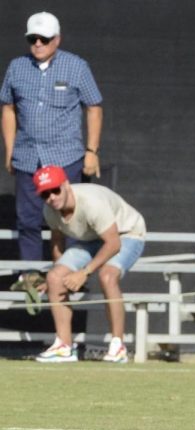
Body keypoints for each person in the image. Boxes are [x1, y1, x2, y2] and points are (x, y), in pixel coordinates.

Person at [1, 12, 103, 293]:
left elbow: (94, 106)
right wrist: (10, 149)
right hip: (27, 156)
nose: (37, 44)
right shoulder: (17, 67)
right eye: (32, 38)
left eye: (44, 39)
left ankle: (70, 274)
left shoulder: (76, 66)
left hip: (65, 155)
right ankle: (31, 276)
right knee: (28, 219)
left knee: (69, 218)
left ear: (56, 39)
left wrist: (91, 150)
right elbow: (7, 107)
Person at [32, 166, 145, 363]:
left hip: (126, 234)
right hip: (90, 238)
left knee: (107, 276)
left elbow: (113, 244)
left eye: (55, 190)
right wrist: (58, 275)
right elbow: (57, 241)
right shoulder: (49, 209)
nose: (51, 197)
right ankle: (64, 347)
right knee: (54, 277)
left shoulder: (92, 203)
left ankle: (118, 346)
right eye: (45, 194)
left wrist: (84, 273)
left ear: (66, 185)